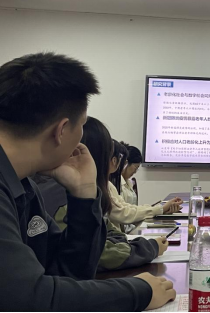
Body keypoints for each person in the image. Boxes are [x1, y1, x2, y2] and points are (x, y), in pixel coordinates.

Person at [0, 52, 175, 311]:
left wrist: (84, 195)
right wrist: (138, 291)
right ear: (61, 130)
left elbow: (69, 273)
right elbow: (28, 298)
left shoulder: (25, 186)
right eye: (81, 125)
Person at [36, 117, 169, 272]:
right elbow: (101, 255)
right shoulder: (64, 193)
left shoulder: (80, 189)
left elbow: (107, 231)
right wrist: (149, 248)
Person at [108, 142, 182, 232]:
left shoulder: (111, 184)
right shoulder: (109, 184)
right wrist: (160, 209)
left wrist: (160, 209)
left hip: (127, 229)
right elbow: (124, 213)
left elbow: (128, 208)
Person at [120, 142, 143, 206]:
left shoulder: (129, 182)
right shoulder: (117, 183)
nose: (135, 172)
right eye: (135, 167)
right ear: (126, 163)